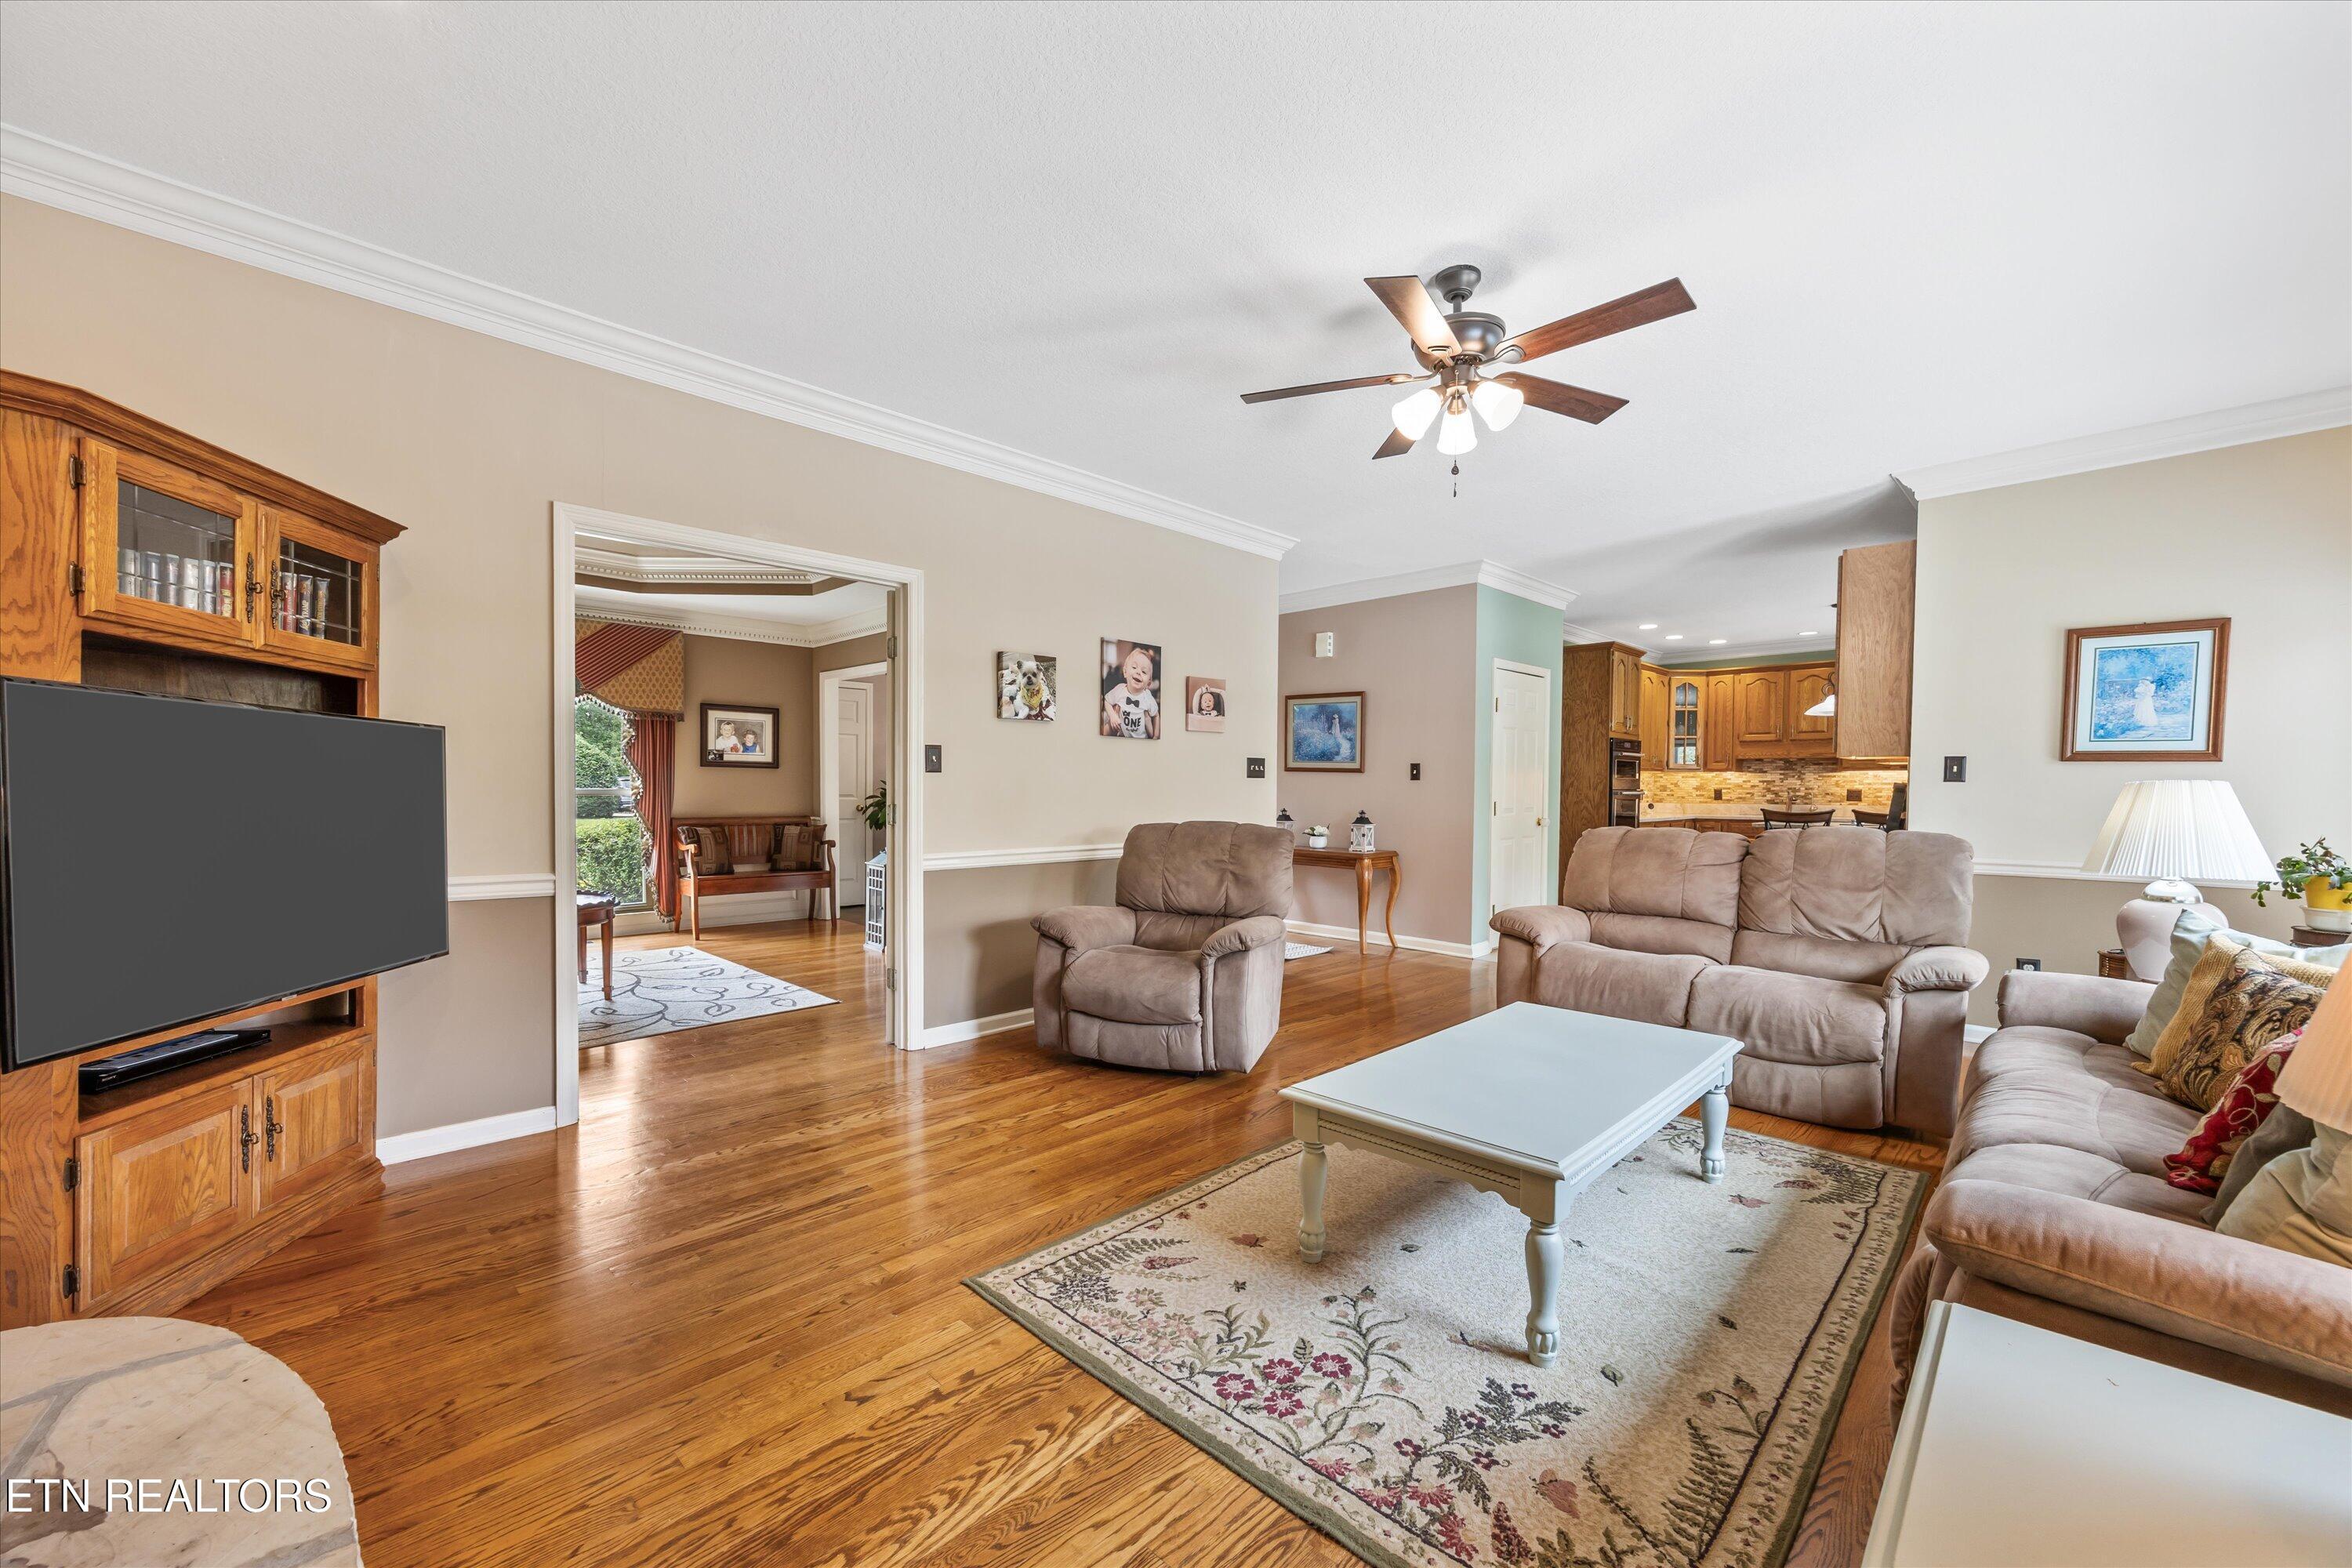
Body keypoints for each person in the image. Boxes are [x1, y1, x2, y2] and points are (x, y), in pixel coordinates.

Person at [1103, 644, 1160, 739]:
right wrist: (1113, 716)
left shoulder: (1148, 697)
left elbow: (1156, 716)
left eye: (1144, 672)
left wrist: (1156, 736)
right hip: (1122, 735)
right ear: (1125, 672)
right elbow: (1107, 701)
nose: (1138, 672)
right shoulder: (1120, 690)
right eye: (1134, 667)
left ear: (1148, 684)